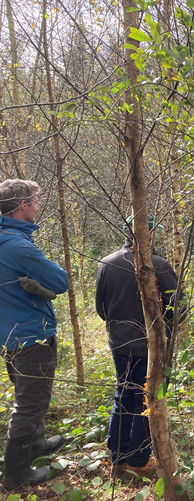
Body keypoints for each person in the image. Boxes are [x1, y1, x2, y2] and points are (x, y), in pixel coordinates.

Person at [95, 214, 184, 479]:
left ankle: (117, 457)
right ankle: (138, 459)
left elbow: (101, 309)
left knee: (123, 396)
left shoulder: (106, 263)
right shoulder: (159, 265)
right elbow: (178, 308)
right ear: (149, 234)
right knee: (148, 399)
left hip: (120, 344)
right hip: (150, 346)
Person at [0, 179, 69, 489]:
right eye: (35, 201)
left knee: (29, 398)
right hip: (32, 338)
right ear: (21, 206)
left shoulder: (5, 240)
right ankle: (15, 475)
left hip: (10, 336)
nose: (38, 206)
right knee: (30, 404)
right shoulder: (17, 246)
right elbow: (60, 280)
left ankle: (37, 445)